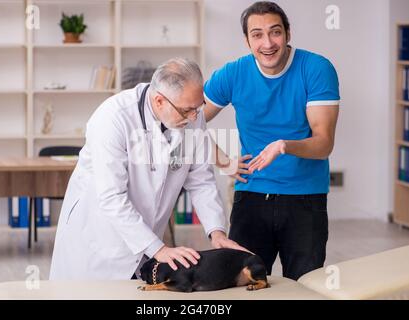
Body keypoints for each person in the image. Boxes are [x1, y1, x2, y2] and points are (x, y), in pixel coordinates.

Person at [50, 57, 246, 280]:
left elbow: (201, 179)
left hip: (145, 240)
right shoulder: (113, 118)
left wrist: (216, 232)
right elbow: (112, 197)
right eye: (186, 111)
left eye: (198, 108)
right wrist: (159, 249)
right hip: (96, 238)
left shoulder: (192, 115)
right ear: (160, 101)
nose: (194, 117)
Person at [204, 1, 340, 280]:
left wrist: (284, 145)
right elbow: (184, 121)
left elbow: (324, 142)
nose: (267, 43)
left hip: (305, 199)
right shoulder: (232, 73)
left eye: (275, 32)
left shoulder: (316, 68)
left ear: (288, 33)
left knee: (305, 286)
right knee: (242, 284)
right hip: (251, 197)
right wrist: (223, 161)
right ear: (247, 40)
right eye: (257, 34)